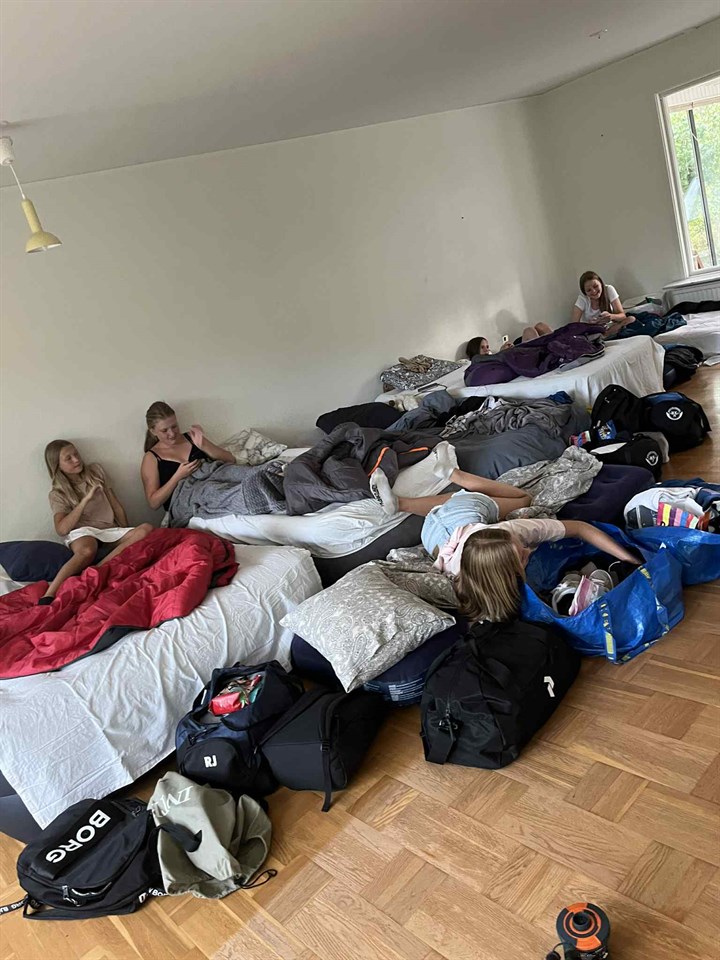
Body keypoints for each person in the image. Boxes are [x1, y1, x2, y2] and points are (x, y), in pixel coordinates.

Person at [369, 457, 640, 623]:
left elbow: (580, 528)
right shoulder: (470, 581)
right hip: (437, 527)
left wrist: (630, 559)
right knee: (520, 498)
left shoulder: (512, 531)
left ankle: (430, 489)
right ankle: (438, 484)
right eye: (521, 557)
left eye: (522, 549)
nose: (528, 551)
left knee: (524, 500)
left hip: (444, 526)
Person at [43, 440, 153, 603]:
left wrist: (126, 531)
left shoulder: (95, 471)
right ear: (57, 466)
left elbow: (115, 505)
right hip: (84, 532)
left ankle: (97, 569)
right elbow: (62, 529)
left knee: (146, 529)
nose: (76, 460)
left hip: (108, 529)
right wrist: (86, 500)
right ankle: (49, 594)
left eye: (76, 454)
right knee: (88, 549)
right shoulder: (57, 494)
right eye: (68, 458)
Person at [141, 401, 235, 511]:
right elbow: (153, 503)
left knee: (239, 473)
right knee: (211, 490)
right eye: (164, 430)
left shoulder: (191, 438)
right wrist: (178, 476)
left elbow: (230, 460)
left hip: (217, 482)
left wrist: (203, 445)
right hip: (191, 499)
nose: (172, 433)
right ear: (153, 431)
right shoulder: (151, 458)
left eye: (174, 426)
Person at [571, 270, 627, 336]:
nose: (594, 291)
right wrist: (589, 325)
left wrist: (611, 316)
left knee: (631, 319)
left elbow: (622, 316)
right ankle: (603, 336)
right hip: (592, 331)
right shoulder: (582, 299)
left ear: (601, 283)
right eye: (589, 290)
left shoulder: (608, 289)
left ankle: (605, 335)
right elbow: (574, 325)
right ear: (585, 293)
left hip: (609, 327)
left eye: (595, 286)